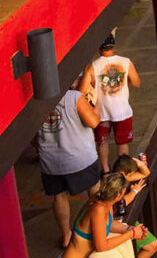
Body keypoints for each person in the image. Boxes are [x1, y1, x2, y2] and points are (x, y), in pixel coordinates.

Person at [38, 85, 102, 250]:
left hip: (51, 161)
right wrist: (95, 105)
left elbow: (31, 137)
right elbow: (93, 122)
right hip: (81, 157)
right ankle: (96, 227)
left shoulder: (36, 101)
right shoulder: (73, 97)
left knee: (59, 197)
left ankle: (67, 235)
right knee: (94, 191)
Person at [80, 35, 140, 172]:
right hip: (123, 111)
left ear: (98, 47)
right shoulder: (125, 62)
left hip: (101, 113)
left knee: (102, 142)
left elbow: (82, 91)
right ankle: (123, 172)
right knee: (122, 142)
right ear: (113, 45)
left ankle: (106, 170)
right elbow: (136, 82)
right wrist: (123, 83)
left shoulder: (92, 67)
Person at [62, 173, 153, 258]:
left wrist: (129, 229)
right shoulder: (98, 209)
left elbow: (108, 224)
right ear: (118, 195)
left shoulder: (107, 203)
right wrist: (131, 234)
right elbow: (101, 246)